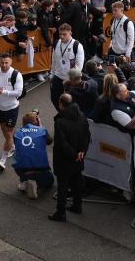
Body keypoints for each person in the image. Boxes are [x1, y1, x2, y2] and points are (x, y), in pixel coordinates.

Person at [49, 93, 91, 222]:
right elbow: (87, 136)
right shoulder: (82, 117)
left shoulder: (60, 122)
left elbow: (62, 143)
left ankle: (60, 212)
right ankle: (77, 205)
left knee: (62, 185)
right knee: (76, 182)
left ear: (61, 104)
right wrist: (82, 152)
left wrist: (74, 154)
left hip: (65, 160)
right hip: (79, 157)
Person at [0, 52, 23, 171]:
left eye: (6, 62)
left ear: (11, 62)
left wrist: (3, 92)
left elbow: (18, 92)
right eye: (2, 62)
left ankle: (2, 160)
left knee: (8, 133)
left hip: (12, 108)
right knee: (5, 131)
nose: (4, 65)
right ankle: (12, 146)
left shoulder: (16, 74)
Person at [12, 110, 54, 200]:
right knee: (50, 182)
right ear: (37, 121)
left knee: (23, 155)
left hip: (20, 169)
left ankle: (24, 180)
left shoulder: (16, 132)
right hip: (40, 169)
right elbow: (49, 141)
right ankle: (36, 183)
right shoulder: (42, 130)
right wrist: (41, 126)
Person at [49, 24, 84, 110]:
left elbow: (79, 66)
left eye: (64, 34)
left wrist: (71, 80)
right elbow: (54, 61)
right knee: (54, 98)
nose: (62, 36)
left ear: (70, 33)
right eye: (60, 34)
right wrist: (52, 74)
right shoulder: (56, 43)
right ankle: (62, 114)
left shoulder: (77, 45)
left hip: (71, 79)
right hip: (58, 76)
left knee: (71, 102)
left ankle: (69, 117)